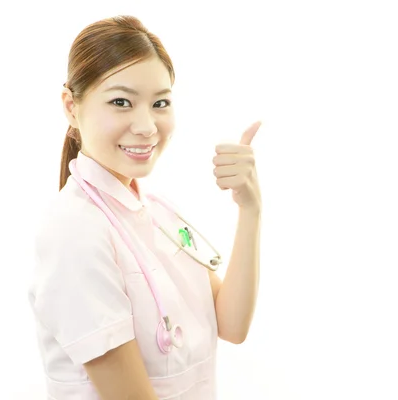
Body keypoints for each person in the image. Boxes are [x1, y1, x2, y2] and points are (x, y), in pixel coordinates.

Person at [28, 15, 262, 400]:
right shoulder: (73, 230)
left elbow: (231, 324)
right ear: (72, 106)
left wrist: (250, 209)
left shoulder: (155, 211)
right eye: (121, 101)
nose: (147, 126)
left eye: (160, 103)